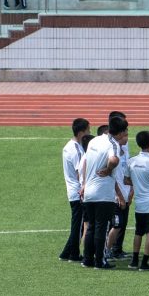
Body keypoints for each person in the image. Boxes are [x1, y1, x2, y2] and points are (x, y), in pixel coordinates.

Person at [80, 112, 127, 269]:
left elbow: (85, 161)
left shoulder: (94, 140)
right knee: (101, 227)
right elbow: (114, 159)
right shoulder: (112, 143)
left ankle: (87, 259)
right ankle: (100, 261)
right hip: (103, 193)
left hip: (89, 191)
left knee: (91, 226)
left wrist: (85, 183)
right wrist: (108, 169)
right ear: (120, 132)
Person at [125, 130, 149, 270]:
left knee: (138, 231)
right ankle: (145, 262)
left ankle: (134, 260)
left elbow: (126, 180)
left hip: (140, 203)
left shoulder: (131, 161)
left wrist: (137, 183)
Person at [58, 118, 90, 262]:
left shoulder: (69, 146)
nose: (90, 133)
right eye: (88, 130)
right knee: (78, 226)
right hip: (78, 191)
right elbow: (80, 172)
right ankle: (74, 254)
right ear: (81, 132)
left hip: (73, 190)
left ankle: (66, 252)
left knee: (77, 223)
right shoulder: (76, 149)